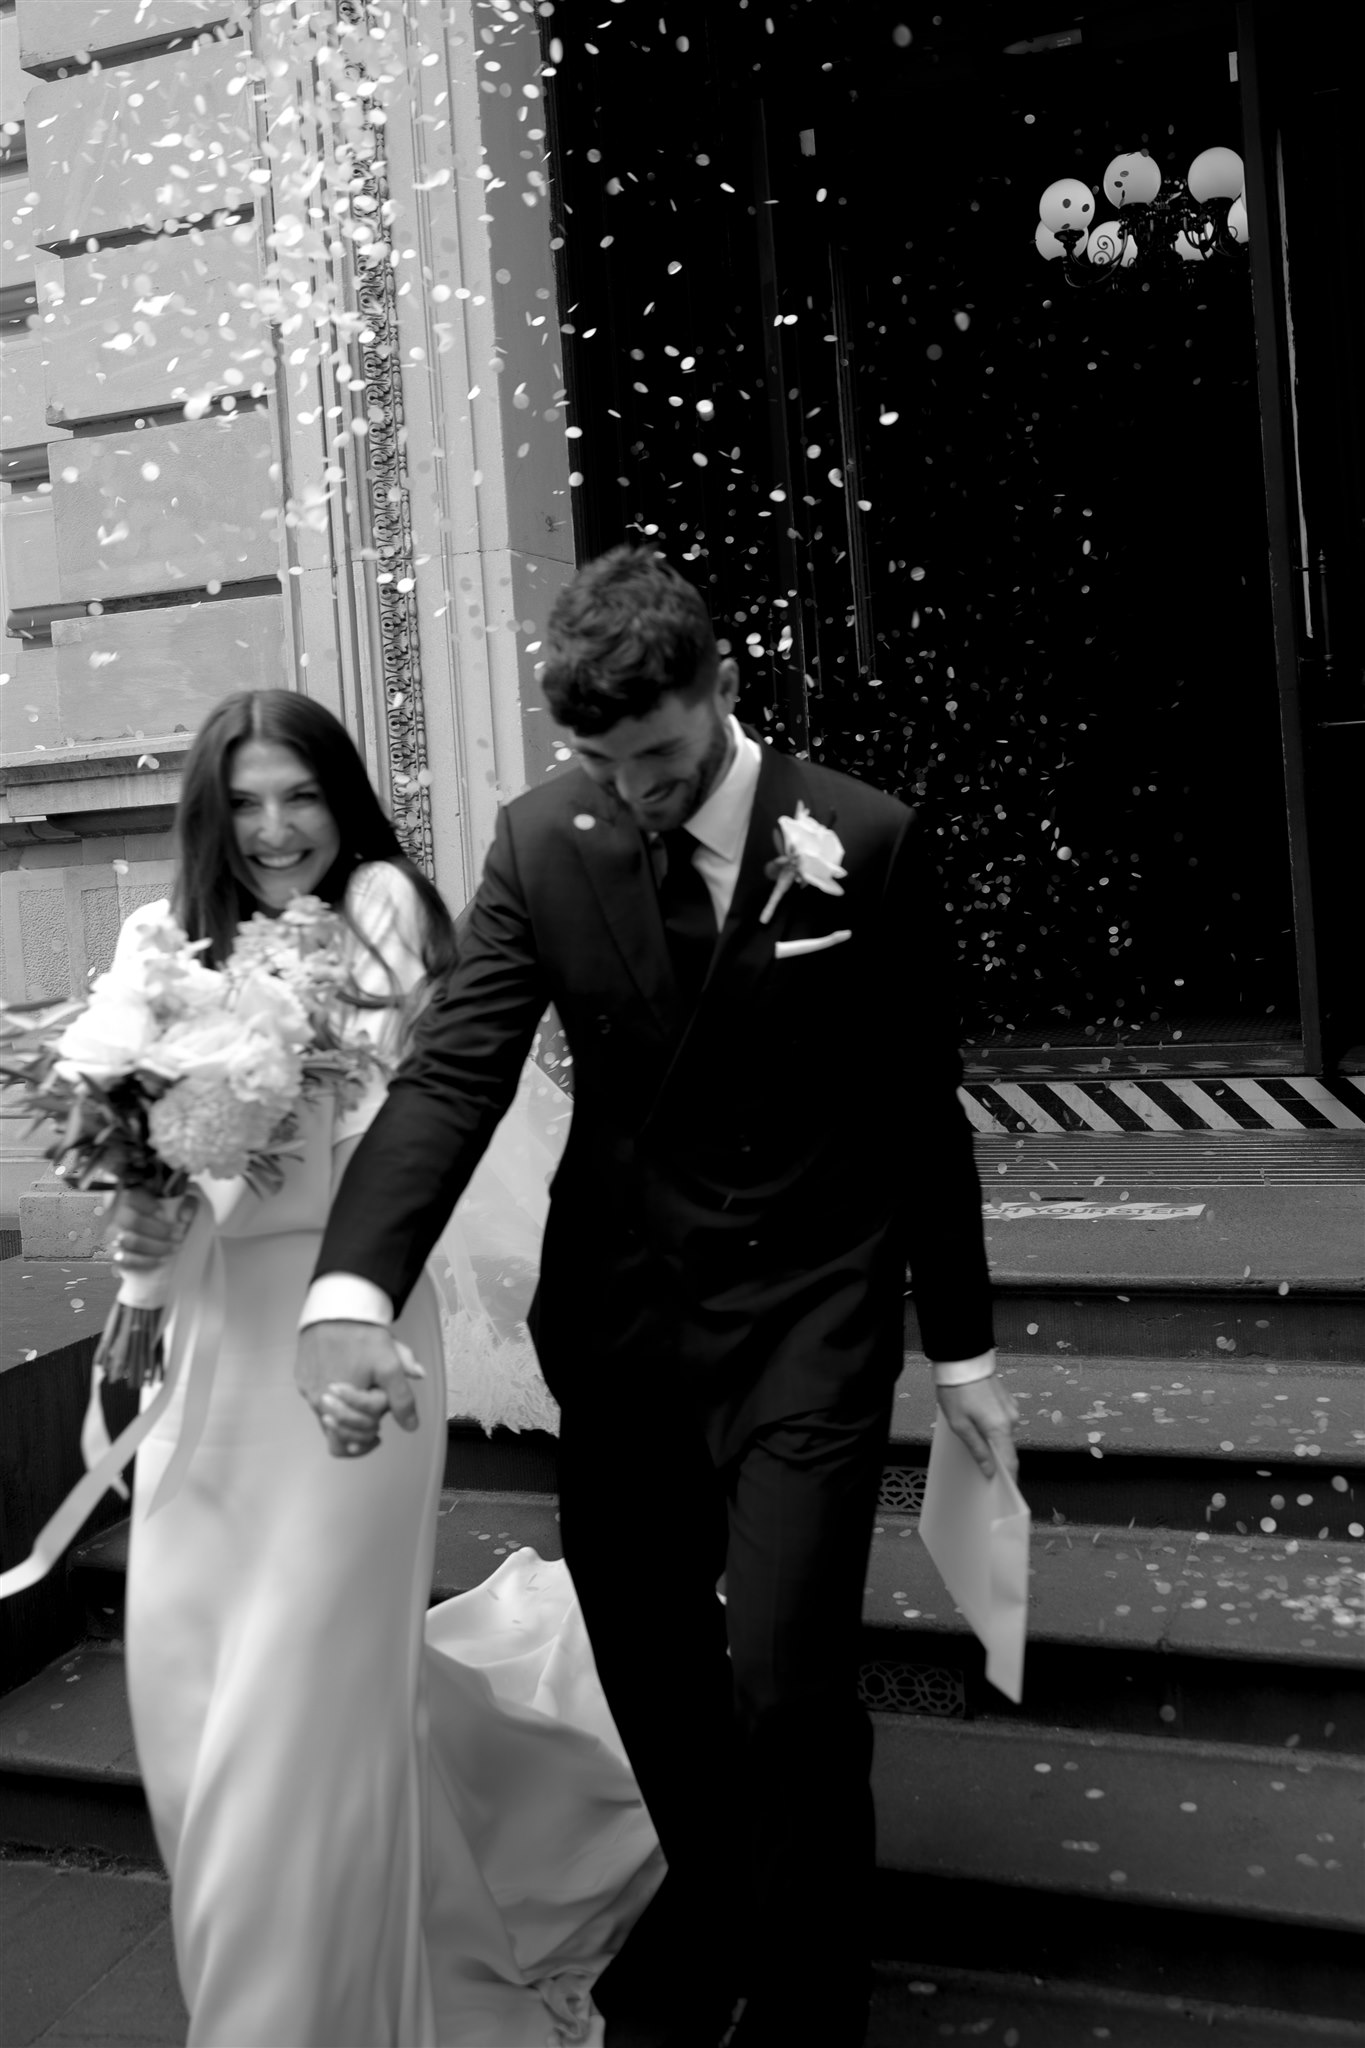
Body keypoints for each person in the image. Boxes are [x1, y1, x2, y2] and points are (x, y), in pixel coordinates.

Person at [297, 548, 1018, 2048]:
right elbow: (453, 1075)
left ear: (724, 691)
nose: (633, 791)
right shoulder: (541, 842)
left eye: (661, 757)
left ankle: (815, 2001)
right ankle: (724, 1903)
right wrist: (351, 1288)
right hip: (621, 1322)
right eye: (602, 762)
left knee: (785, 1680)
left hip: (808, 1318)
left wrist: (960, 1349)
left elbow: (916, 1113)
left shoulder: (864, 840)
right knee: (649, 1661)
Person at [104, 689, 660, 2047]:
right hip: (209, 1366)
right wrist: (137, 1253)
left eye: (298, 794)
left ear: (341, 797)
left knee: (287, 1722)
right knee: (191, 1709)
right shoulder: (156, 942)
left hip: (343, 1356)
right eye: (243, 801)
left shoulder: (384, 919)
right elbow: (145, 1161)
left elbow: (419, 1134)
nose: (274, 828)